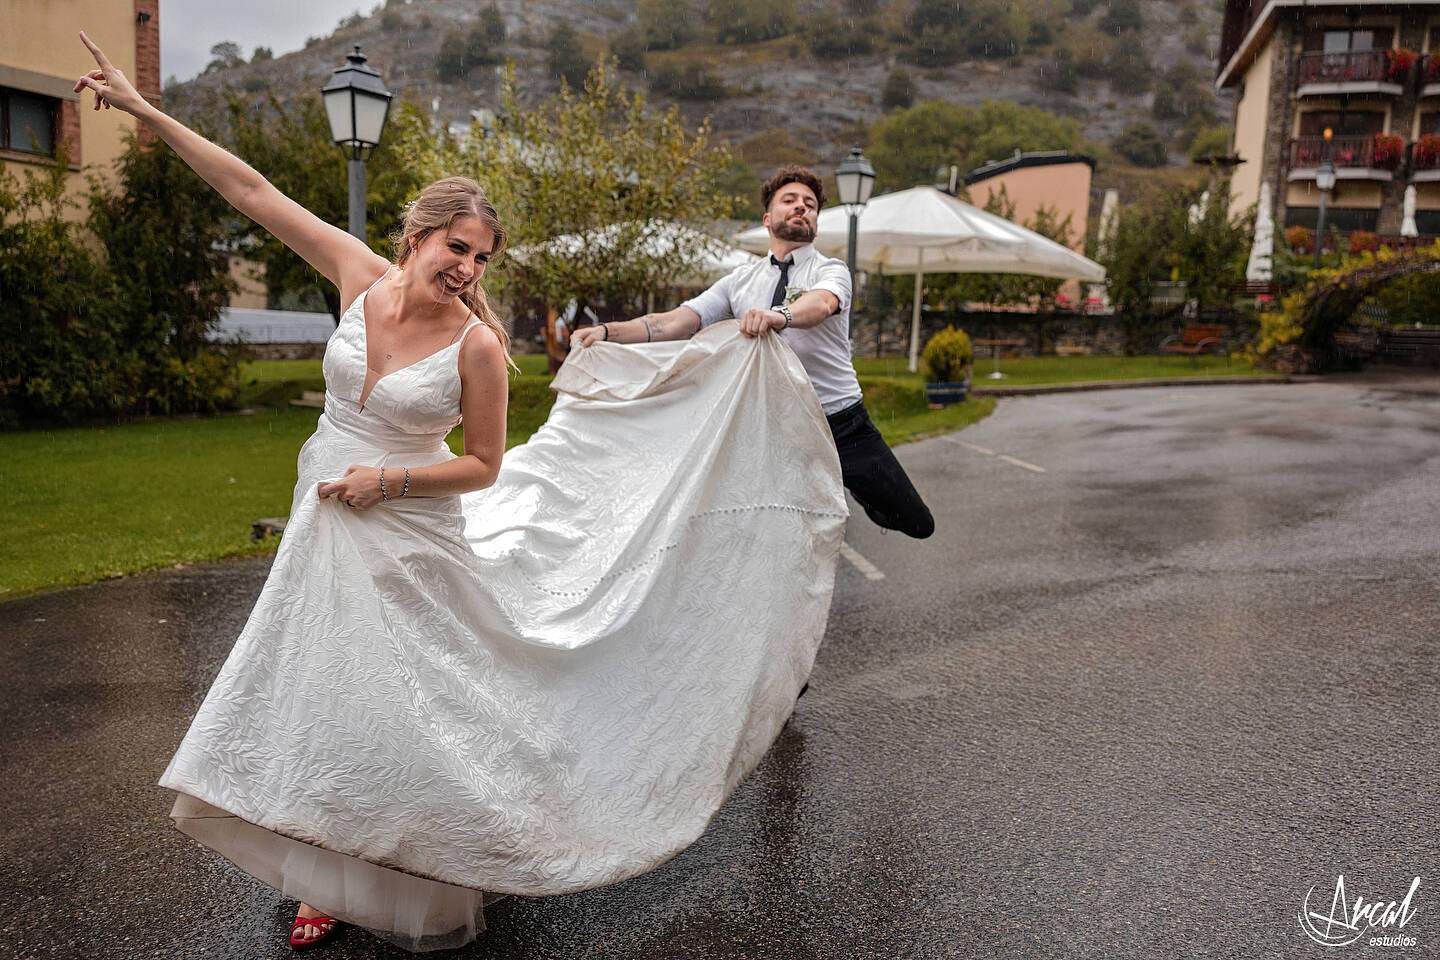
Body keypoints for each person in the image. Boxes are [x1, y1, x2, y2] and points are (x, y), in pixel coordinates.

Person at [76, 33, 847, 953]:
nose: (468, 271)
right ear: (416, 237)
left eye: (481, 258)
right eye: (457, 248)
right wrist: (143, 110)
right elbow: (254, 192)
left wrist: (387, 479)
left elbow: (483, 464)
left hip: (406, 531)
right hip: (327, 519)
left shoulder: (478, 346)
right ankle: (331, 864)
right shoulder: (359, 279)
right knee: (321, 692)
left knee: (405, 714)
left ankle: (420, 854)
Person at [573, 165, 935, 539]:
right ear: (767, 218)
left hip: (841, 422)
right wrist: (609, 331)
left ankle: (854, 489)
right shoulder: (740, 280)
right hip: (772, 429)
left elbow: (822, 304)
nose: (801, 208)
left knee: (917, 522)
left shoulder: (832, 270)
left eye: (809, 204)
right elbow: (679, 321)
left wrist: (779, 315)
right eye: (790, 201)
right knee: (770, 536)